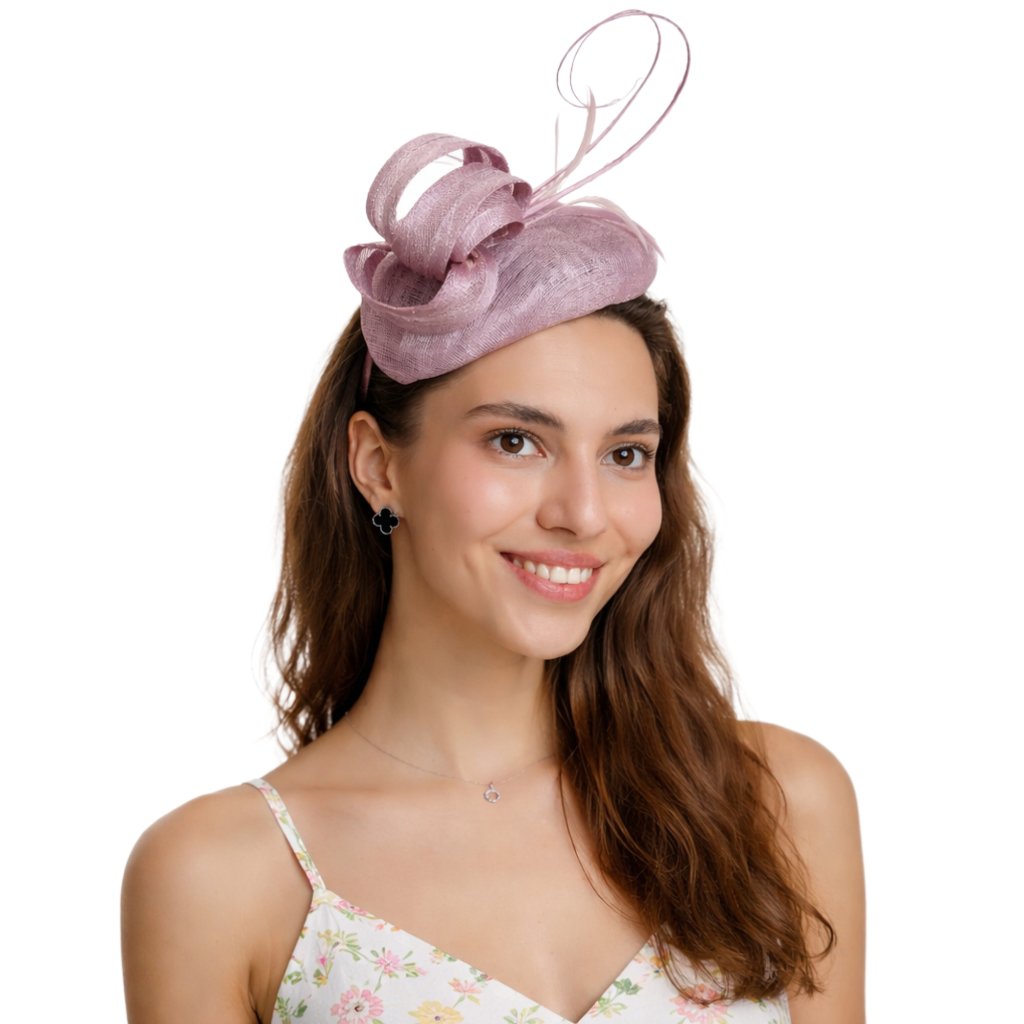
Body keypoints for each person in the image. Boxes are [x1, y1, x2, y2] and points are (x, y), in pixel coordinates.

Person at [121, 12, 864, 1024]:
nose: (583, 513)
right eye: (516, 440)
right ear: (377, 465)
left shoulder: (773, 802)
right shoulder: (223, 877)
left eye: (625, 454)